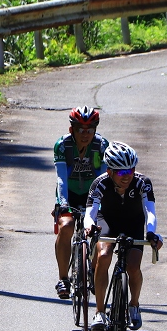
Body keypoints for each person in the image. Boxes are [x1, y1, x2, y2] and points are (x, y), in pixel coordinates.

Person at [84, 142, 163, 331]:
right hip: (108, 221)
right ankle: (100, 312)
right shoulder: (100, 183)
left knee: (133, 266)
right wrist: (90, 226)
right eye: (120, 172)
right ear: (110, 171)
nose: (127, 176)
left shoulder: (143, 182)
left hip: (133, 223)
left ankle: (134, 304)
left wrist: (151, 232)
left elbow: (150, 212)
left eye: (130, 170)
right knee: (103, 256)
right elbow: (90, 212)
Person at [52, 106, 109, 299]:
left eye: (89, 130)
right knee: (66, 225)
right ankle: (63, 278)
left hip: (92, 194)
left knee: (97, 230)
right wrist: (63, 203)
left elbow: (102, 179)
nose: (85, 134)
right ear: (72, 130)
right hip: (69, 192)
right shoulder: (62, 145)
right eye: (80, 130)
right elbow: (61, 179)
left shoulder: (101, 146)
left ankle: (92, 271)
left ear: (95, 130)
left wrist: (98, 205)